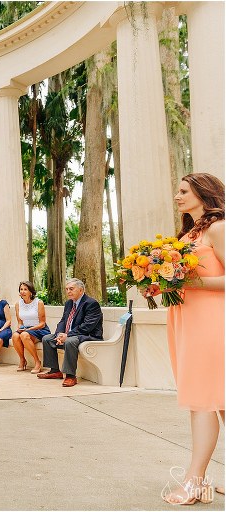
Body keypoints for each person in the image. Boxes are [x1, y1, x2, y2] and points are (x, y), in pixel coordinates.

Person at [145, 173, 224, 504]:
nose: (176, 196)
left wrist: (191, 285)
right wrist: (158, 283)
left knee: (203, 401)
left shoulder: (218, 228)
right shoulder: (188, 234)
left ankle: (195, 482)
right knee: (218, 401)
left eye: (183, 191)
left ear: (203, 193)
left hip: (211, 322)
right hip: (186, 320)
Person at [37, 278, 102, 387]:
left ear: (81, 290)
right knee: (47, 338)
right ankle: (55, 371)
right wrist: (59, 334)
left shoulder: (91, 303)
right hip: (71, 334)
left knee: (70, 341)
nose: (68, 291)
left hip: (88, 336)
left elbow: (88, 326)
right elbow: (64, 321)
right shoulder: (69, 303)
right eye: (67, 289)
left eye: (71, 289)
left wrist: (68, 335)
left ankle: (70, 376)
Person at [11, 281, 49, 373]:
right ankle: (22, 360)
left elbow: (42, 323)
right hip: (25, 329)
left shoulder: (38, 302)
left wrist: (29, 329)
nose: (22, 291)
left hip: (40, 329)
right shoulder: (18, 304)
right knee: (15, 336)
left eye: (25, 289)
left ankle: (37, 361)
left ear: (31, 292)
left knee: (24, 335)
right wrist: (20, 327)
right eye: (21, 289)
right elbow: (20, 322)